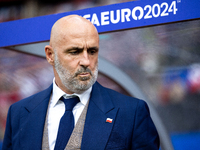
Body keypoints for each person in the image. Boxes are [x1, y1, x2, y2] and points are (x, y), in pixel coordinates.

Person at [2, 15, 160, 150]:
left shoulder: (132, 113)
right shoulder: (19, 113)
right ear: (50, 55)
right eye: (75, 51)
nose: (86, 61)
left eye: (92, 51)